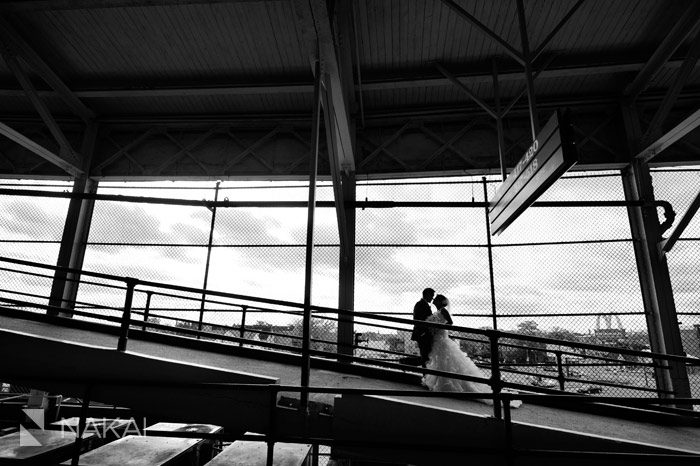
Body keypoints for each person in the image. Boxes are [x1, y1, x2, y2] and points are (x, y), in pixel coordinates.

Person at [423, 294, 522, 408]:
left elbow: (450, 323)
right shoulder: (437, 311)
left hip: (441, 338)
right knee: (442, 360)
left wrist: (439, 328)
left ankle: (446, 384)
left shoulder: (443, 311)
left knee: (446, 360)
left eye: (435, 299)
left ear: (440, 301)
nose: (433, 300)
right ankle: (441, 383)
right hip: (437, 340)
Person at [411, 287, 435, 368]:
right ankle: (425, 375)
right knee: (425, 356)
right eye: (432, 295)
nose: (432, 298)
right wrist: (424, 332)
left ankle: (426, 375)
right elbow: (417, 320)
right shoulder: (421, 305)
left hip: (423, 334)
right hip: (423, 335)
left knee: (425, 356)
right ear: (427, 295)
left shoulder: (421, 304)